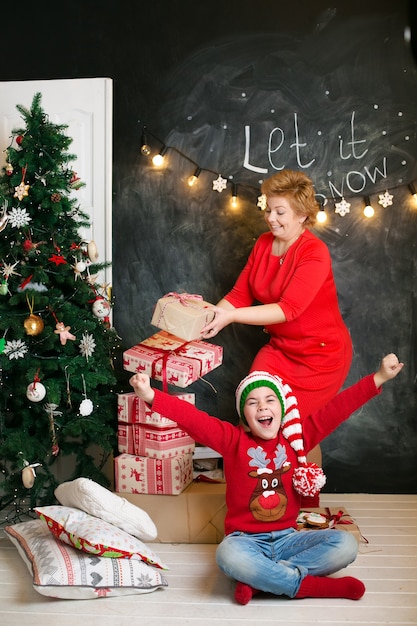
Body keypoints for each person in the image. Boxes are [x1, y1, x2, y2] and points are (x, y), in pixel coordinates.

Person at [129, 353, 403, 605]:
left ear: (281, 410)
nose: (262, 405)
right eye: (253, 402)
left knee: (345, 545)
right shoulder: (233, 440)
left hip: (288, 539)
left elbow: (335, 410)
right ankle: (309, 586)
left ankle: (261, 582)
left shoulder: (298, 440)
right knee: (227, 555)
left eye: (270, 399)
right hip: (245, 541)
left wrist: (378, 377)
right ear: (245, 417)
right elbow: (193, 419)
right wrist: (150, 394)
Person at [200, 169, 352, 422]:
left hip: (320, 357)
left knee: (295, 433)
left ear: (302, 215)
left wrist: (230, 316)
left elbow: (287, 309)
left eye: (280, 212)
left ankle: (304, 465)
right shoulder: (263, 243)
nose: (271, 218)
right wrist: (210, 316)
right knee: (253, 420)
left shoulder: (315, 252)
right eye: (268, 209)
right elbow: (240, 294)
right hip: (280, 351)